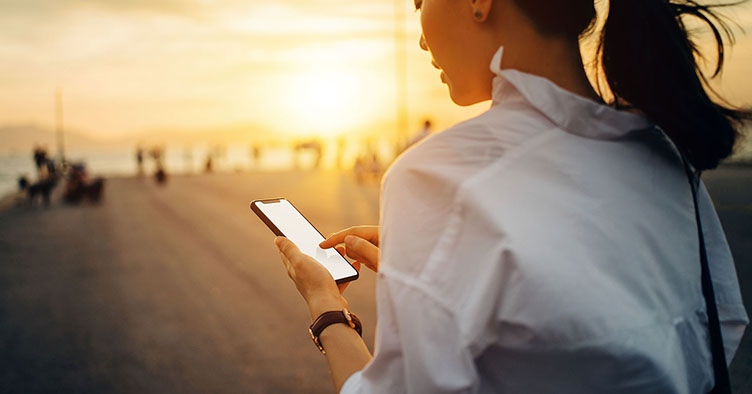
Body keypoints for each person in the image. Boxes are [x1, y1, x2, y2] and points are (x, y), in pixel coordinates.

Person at [272, 0, 750, 392]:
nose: (420, 38)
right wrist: (451, 265)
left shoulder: (438, 176)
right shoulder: (664, 153)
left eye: (418, 3)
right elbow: (714, 334)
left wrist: (327, 308)